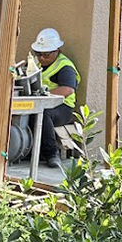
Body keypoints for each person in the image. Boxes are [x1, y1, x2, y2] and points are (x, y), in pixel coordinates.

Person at [30, 27, 80, 168]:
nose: (41, 58)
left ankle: (52, 154)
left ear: (56, 51)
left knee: (43, 114)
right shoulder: (36, 63)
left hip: (62, 108)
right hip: (40, 102)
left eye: (45, 55)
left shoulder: (65, 66)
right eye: (38, 54)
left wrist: (45, 94)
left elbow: (68, 89)